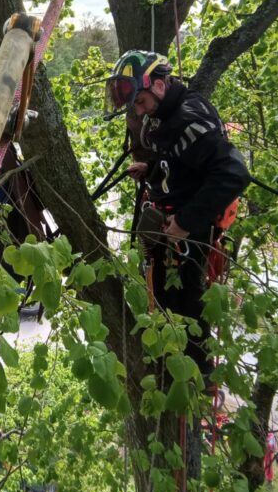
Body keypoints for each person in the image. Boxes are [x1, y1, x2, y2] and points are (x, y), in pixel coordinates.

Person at [105, 50, 250, 384]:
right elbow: (184, 163)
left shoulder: (190, 120)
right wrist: (153, 168)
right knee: (164, 299)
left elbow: (233, 173)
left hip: (189, 230)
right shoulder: (169, 113)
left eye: (141, 102)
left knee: (186, 304)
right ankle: (170, 365)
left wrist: (184, 223)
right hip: (173, 222)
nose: (139, 111)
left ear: (159, 84)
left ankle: (196, 378)